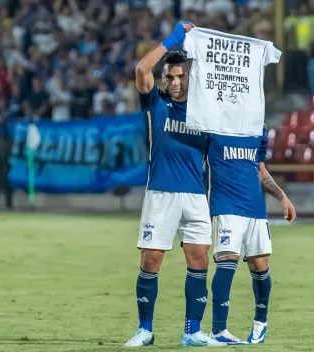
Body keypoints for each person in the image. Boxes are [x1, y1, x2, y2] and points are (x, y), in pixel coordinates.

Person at [123, 22, 225, 347]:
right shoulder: (156, 104)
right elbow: (141, 68)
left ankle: (192, 331)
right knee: (150, 260)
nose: (176, 82)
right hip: (161, 194)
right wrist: (173, 39)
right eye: (171, 77)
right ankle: (145, 330)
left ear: (190, 78)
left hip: (196, 196)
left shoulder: (205, 113)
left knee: (199, 261)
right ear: (164, 78)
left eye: (182, 76)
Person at [207, 126, 297, 344]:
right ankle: (218, 330)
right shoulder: (214, 123)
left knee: (260, 265)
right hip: (226, 204)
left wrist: (282, 197)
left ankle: (260, 325)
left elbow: (261, 172)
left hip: (254, 207)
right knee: (227, 260)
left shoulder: (258, 126)